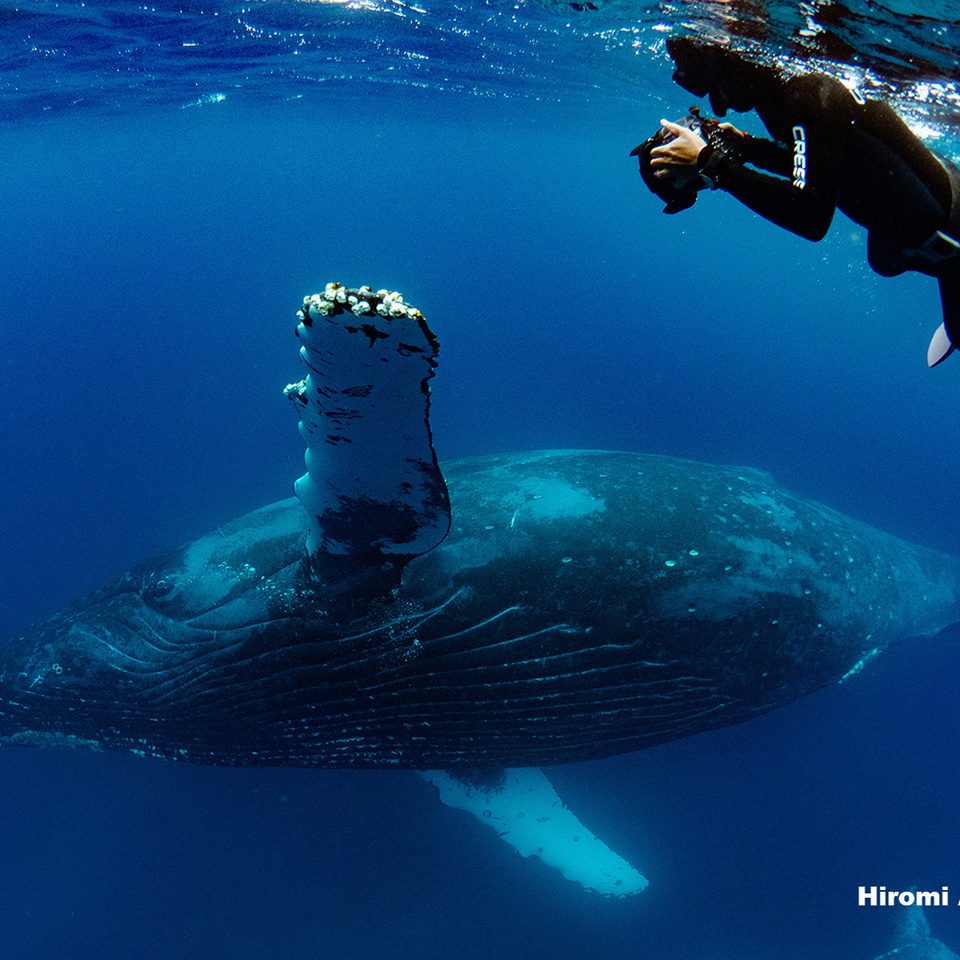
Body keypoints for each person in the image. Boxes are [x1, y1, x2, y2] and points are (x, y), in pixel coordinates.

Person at [634, 37, 960, 367]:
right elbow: (821, 160)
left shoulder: (805, 97)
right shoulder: (780, 94)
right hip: (914, 204)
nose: (718, 106)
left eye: (716, 88)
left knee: (914, 257)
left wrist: (712, 161)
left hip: (945, 221)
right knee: (885, 260)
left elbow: (811, 216)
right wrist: (749, 149)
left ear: (732, 64)